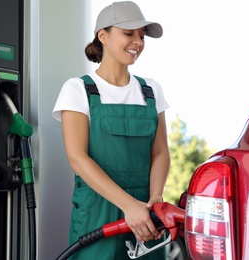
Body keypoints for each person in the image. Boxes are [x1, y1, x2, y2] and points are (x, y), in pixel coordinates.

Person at [52, 1, 170, 259]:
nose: (137, 42)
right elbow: (77, 158)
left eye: (142, 35)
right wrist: (129, 206)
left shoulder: (151, 90)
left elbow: (160, 151)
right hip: (97, 212)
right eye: (129, 33)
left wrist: (155, 198)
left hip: (146, 215)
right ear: (103, 36)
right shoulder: (78, 89)